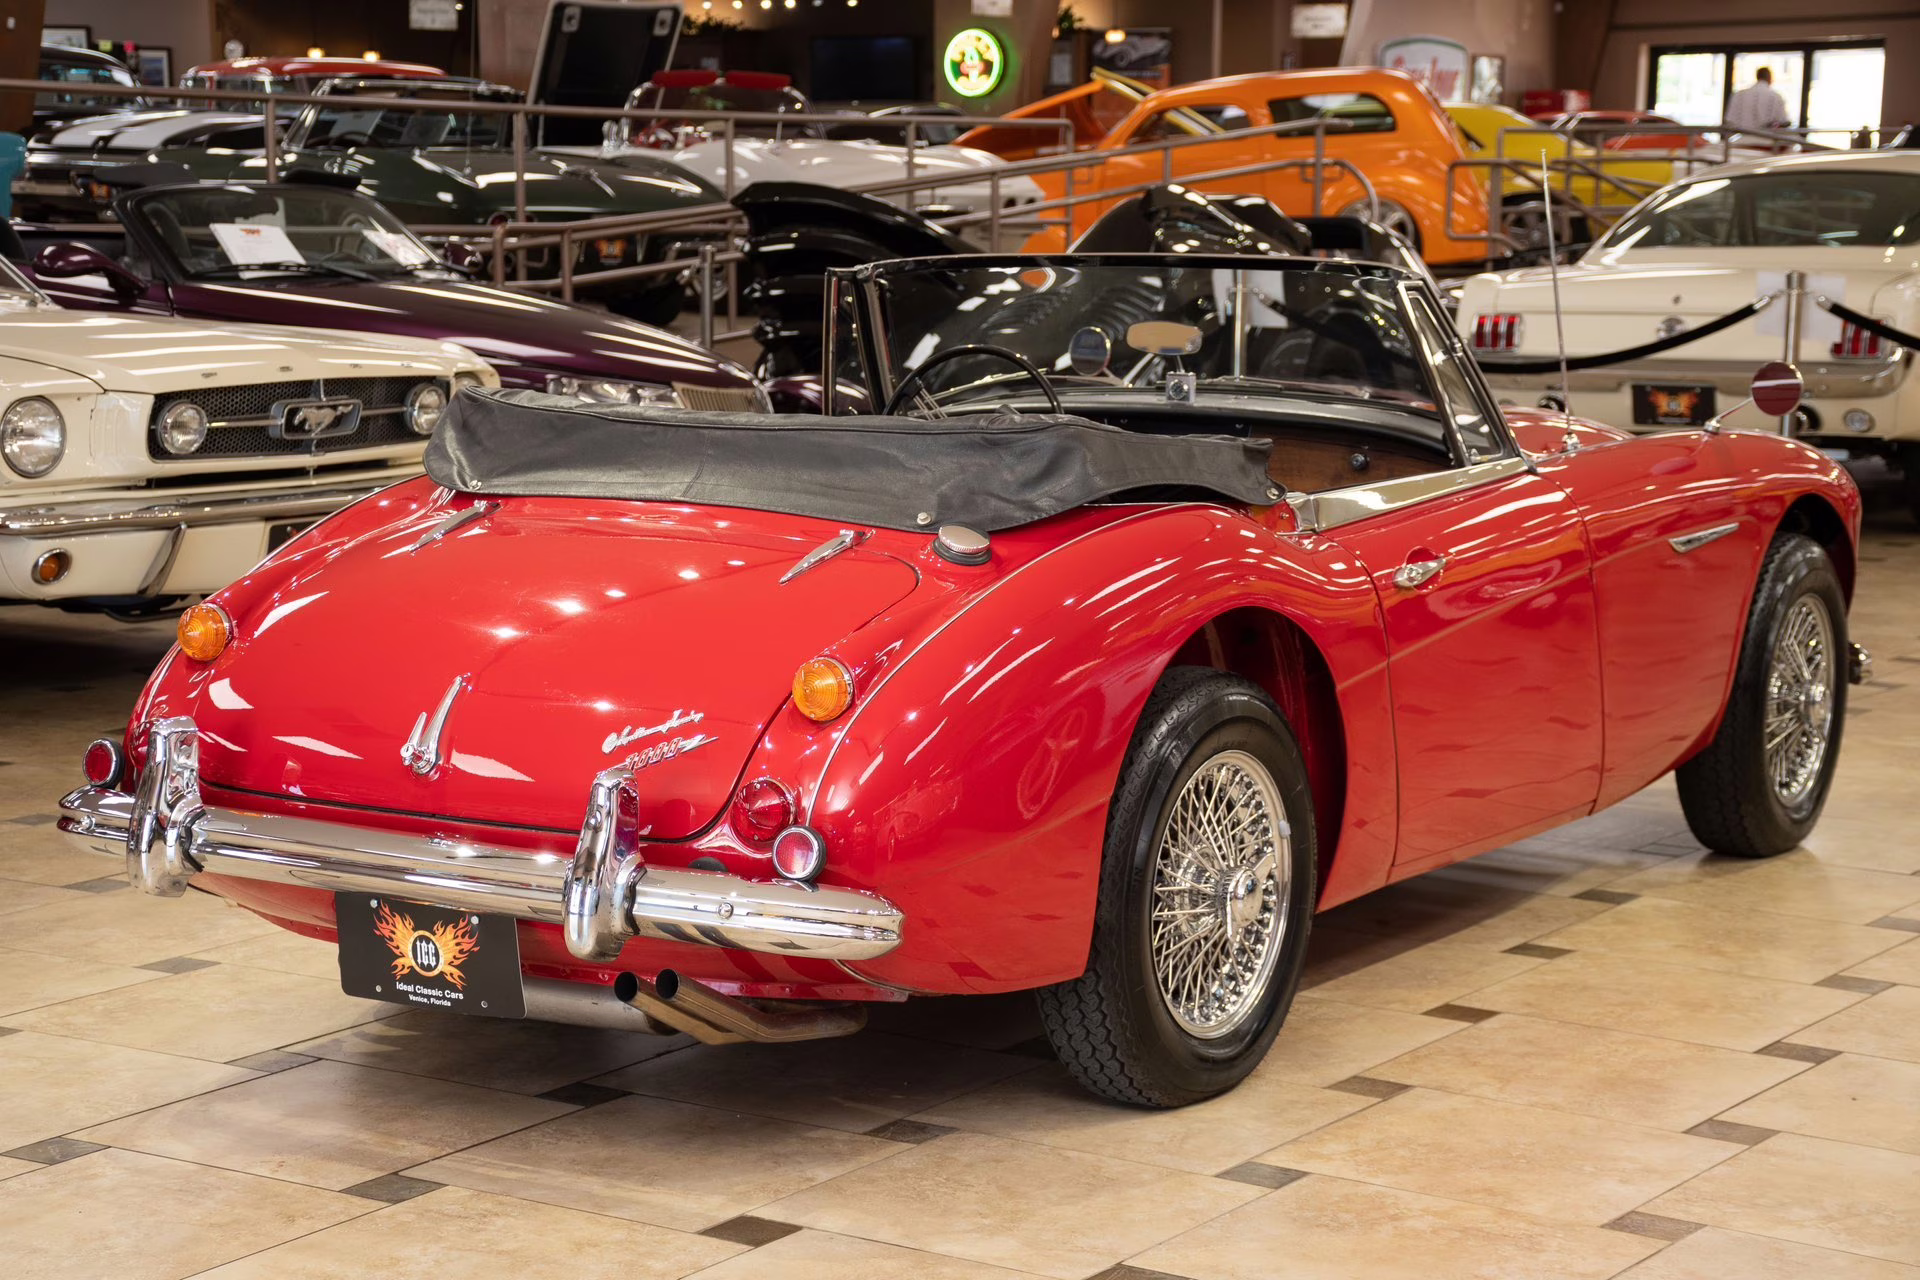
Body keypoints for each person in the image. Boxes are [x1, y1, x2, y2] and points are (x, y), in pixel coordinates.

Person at [1724, 67, 1790, 138]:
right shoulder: (1776, 96)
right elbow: (1783, 121)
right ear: (1770, 78)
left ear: (1757, 76)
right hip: (1766, 143)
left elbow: (1729, 120)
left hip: (1740, 140)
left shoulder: (1739, 94)